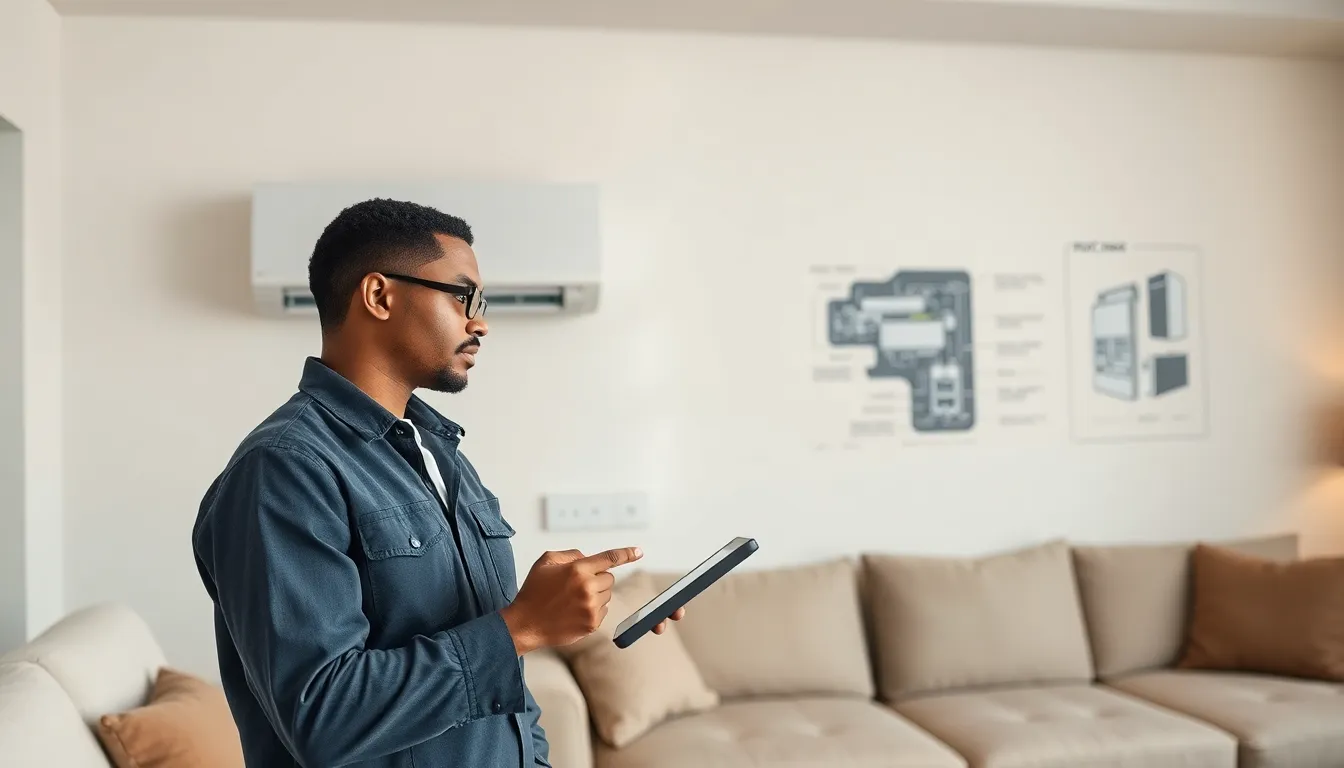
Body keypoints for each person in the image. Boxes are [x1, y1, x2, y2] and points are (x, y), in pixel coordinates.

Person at [191, 198, 683, 767]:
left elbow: (503, 695)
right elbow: (321, 716)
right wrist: (519, 627)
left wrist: (551, 617)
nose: (481, 321)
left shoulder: (440, 454)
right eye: (463, 295)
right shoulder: (283, 469)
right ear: (379, 296)